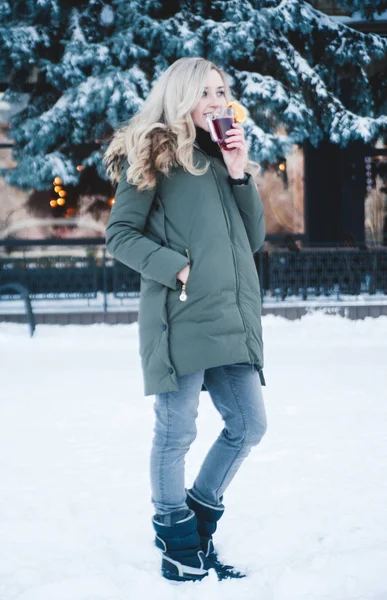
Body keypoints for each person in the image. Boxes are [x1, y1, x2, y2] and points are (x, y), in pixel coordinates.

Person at [103, 57, 267, 583]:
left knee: (248, 425)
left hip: (230, 313)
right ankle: (178, 543)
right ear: (182, 96)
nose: (219, 102)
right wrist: (177, 268)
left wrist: (240, 172)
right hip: (181, 312)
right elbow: (120, 235)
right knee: (176, 433)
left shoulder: (224, 154)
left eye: (223, 92)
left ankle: (195, 527)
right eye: (207, 93)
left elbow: (254, 239)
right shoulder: (150, 149)